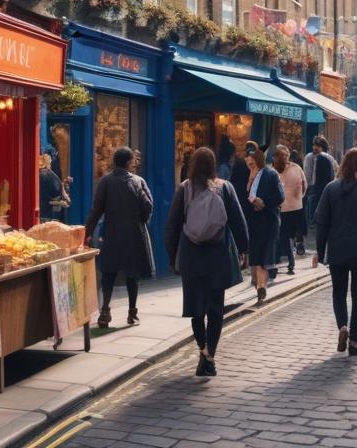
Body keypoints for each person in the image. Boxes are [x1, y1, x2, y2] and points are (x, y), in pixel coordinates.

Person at [165, 147, 249, 377]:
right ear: (213, 166)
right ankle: (210, 356)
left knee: (195, 310)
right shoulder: (225, 188)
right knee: (215, 310)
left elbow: (172, 226)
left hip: (192, 257)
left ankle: (202, 351)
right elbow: (238, 222)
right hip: (218, 256)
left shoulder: (184, 189)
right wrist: (244, 249)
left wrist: (172, 257)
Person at [314, 147, 357, 356]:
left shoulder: (330, 189)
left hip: (337, 248)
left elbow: (321, 223)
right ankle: (354, 341)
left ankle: (342, 326)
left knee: (338, 292)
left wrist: (320, 250)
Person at [84, 147, 155, 328]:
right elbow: (148, 206)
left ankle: (105, 313)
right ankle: (132, 313)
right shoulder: (138, 181)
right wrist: (141, 221)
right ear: (129, 162)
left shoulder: (106, 181)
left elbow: (96, 210)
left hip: (111, 233)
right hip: (134, 234)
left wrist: (87, 233)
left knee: (108, 273)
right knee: (133, 274)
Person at [241, 143, 283, 305]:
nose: (249, 165)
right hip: (253, 223)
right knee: (257, 257)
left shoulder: (271, 175)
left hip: (268, 222)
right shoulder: (246, 176)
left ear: (258, 161)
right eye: (247, 162)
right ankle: (260, 287)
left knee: (264, 257)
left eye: (251, 162)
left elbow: (280, 197)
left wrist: (264, 203)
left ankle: (261, 287)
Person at [273, 147, 307, 277]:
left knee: (280, 235)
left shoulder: (274, 171)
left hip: (280, 208)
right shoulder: (297, 168)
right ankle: (290, 261)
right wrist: (299, 199)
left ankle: (277, 262)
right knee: (289, 235)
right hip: (295, 208)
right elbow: (305, 185)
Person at [305, 137, 338, 237]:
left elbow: (336, 168)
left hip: (326, 186)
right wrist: (308, 186)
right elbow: (307, 172)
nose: (315, 147)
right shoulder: (309, 157)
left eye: (318, 146)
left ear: (323, 147)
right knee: (312, 204)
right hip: (313, 186)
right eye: (314, 145)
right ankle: (312, 225)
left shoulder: (328, 157)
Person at [38, 153, 70, 219]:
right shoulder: (44, 175)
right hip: (47, 214)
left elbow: (60, 187)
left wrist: (64, 195)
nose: (51, 162)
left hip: (53, 212)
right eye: (49, 161)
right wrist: (60, 202)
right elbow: (44, 200)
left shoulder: (49, 173)